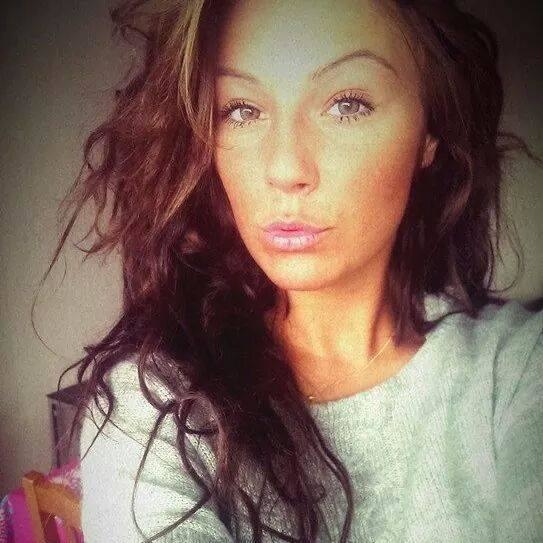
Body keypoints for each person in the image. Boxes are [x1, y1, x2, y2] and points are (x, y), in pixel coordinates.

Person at [45, 0, 542, 541]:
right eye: (241, 110)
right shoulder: (153, 404)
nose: (284, 168)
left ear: (430, 134)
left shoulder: (518, 371)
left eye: (347, 104)